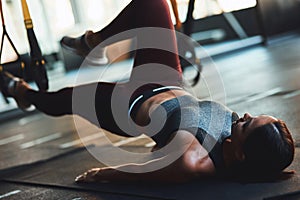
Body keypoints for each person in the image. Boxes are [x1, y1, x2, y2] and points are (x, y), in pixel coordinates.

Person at [0, 0, 294, 183]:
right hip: (166, 79)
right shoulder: (238, 138)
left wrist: (106, 175)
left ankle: (23, 92)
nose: (244, 115)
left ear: (241, 154)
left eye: (248, 124)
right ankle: (95, 42)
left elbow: (161, 172)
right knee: (153, 3)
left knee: (66, 98)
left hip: (129, 105)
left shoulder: (196, 157)